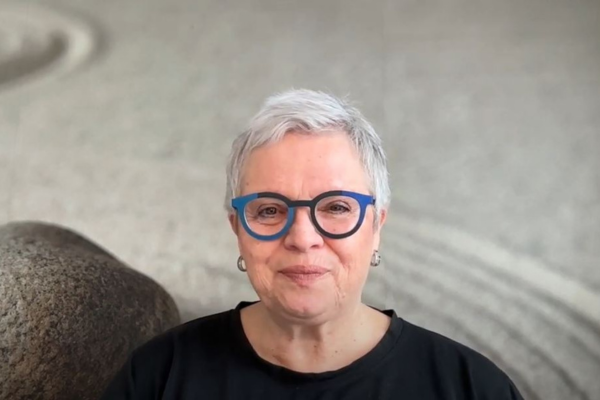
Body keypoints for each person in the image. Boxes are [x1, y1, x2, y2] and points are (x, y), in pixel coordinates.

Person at [101, 89, 524, 399]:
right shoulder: (157, 378)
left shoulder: (472, 387)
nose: (303, 238)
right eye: (269, 210)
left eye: (336, 207)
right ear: (237, 229)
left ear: (376, 225)